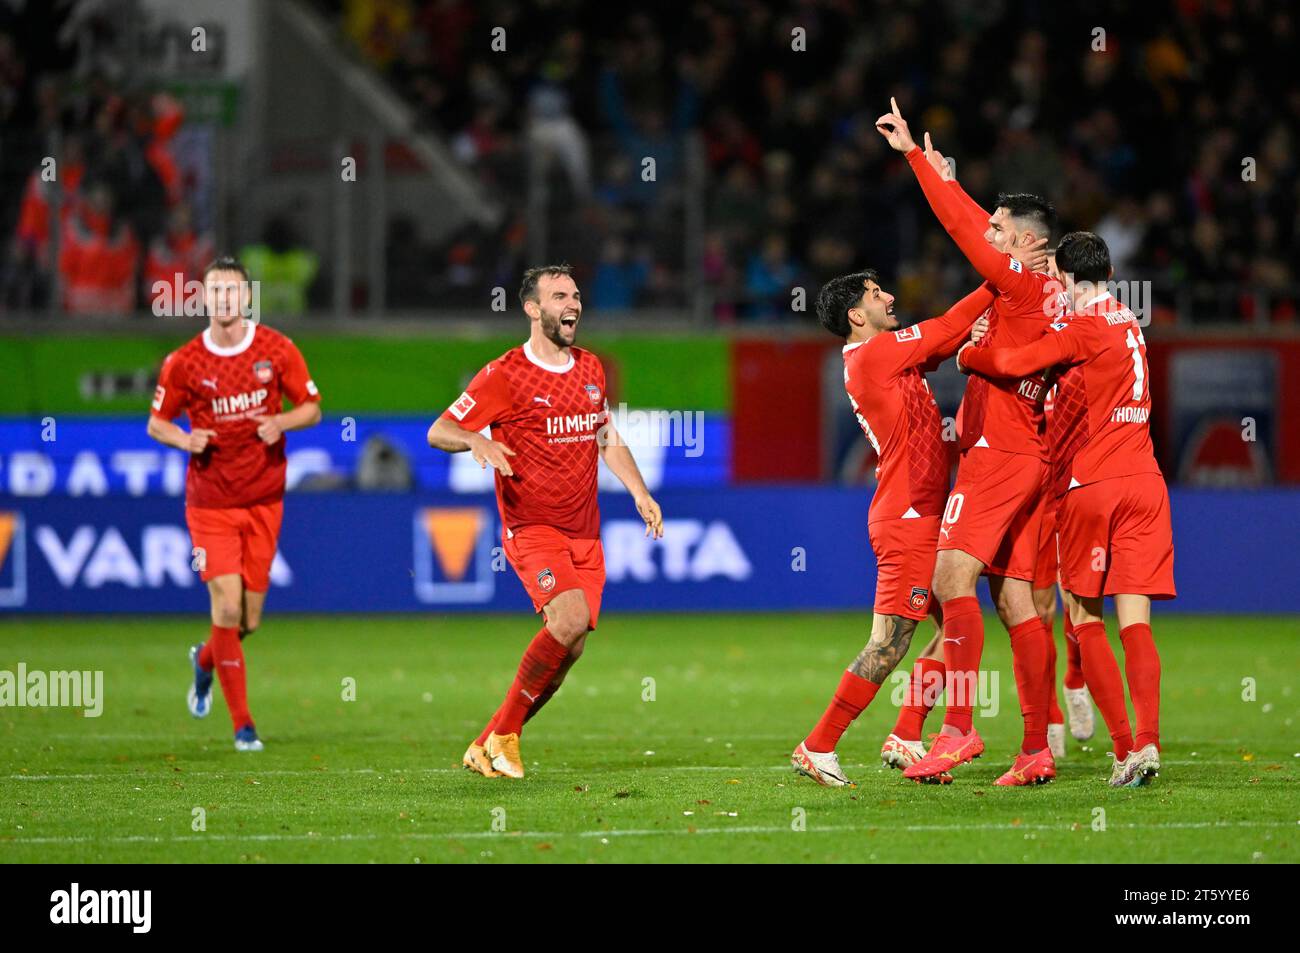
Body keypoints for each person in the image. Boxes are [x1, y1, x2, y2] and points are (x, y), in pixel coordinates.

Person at [876, 99, 1063, 786]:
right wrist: (948, 171)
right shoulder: (1048, 292)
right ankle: (1036, 747)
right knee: (1015, 603)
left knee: (949, 580)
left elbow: (962, 227)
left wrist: (918, 160)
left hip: (999, 456)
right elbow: (983, 224)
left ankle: (956, 730)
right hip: (1034, 458)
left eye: (1002, 231)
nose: (990, 235)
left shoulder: (1019, 286)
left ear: (1030, 244)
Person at [428, 264, 664, 779]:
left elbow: (605, 436)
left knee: (569, 650)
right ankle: (507, 738)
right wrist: (475, 439)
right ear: (533, 309)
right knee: (569, 620)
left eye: (576, 295)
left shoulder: (590, 368)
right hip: (532, 527)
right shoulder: (504, 374)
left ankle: (486, 742)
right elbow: (439, 429)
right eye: (559, 296)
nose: (573, 304)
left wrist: (640, 491)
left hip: (585, 531)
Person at [958, 231, 1174, 786]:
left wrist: (970, 352)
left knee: (1082, 620)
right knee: (1138, 622)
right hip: (1147, 482)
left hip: (1094, 483)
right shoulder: (1128, 320)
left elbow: (1016, 362)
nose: (1048, 277)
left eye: (1055, 270)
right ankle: (1149, 745)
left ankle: (1124, 748)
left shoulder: (1083, 327)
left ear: (1072, 276)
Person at [147, 256, 322, 751]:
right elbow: (156, 423)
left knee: (247, 620)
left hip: (264, 498)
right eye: (215, 292)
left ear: (246, 298)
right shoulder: (183, 362)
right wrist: (186, 440)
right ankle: (244, 726)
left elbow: (311, 407)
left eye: (232, 292)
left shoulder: (276, 349)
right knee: (225, 605)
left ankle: (204, 661)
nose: (224, 300)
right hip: (210, 503)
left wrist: (281, 423)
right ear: (203, 298)